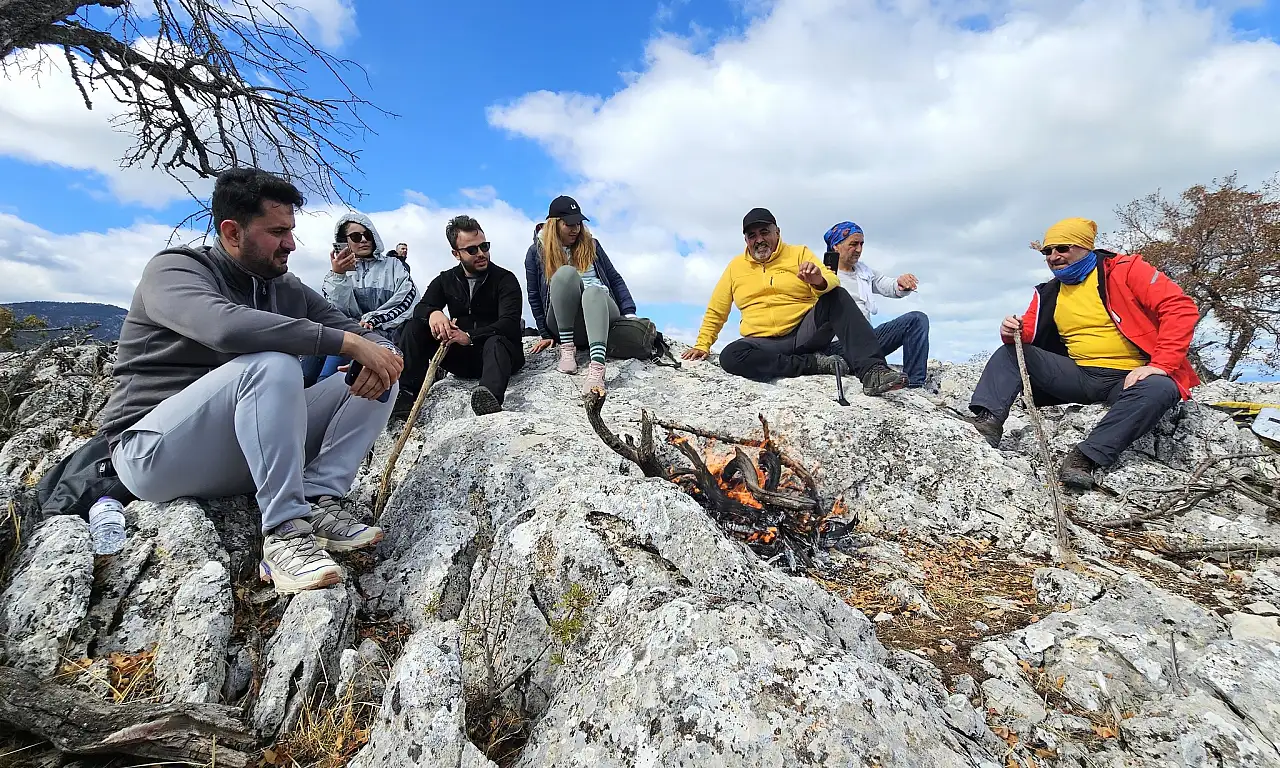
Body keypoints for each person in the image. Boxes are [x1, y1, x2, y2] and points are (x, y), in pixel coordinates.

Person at [97, 167, 403, 594]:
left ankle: (317, 500)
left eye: (291, 231)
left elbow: (353, 328)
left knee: (381, 374)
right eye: (277, 231)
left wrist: (384, 352)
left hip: (240, 453)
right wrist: (347, 342)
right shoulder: (175, 271)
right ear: (232, 232)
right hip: (153, 453)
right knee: (274, 365)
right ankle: (283, 535)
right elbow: (222, 327)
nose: (291, 244)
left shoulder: (285, 287)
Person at [969, 217, 1199, 489]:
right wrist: (1011, 331)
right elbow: (1026, 334)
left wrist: (1160, 364)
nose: (1054, 257)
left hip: (1127, 378)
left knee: (1161, 388)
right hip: (1077, 375)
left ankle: (1085, 458)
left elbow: (1180, 308)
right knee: (1009, 353)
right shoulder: (1048, 292)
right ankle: (988, 424)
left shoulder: (1126, 270)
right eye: (1047, 251)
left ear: (1085, 247)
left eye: (1063, 248)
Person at [681, 208, 907, 395]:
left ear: (777, 232)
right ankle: (814, 364)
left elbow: (831, 278)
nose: (759, 239)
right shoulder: (735, 267)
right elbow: (717, 309)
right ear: (746, 240)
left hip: (803, 333)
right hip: (762, 341)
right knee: (731, 357)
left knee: (836, 295)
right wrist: (702, 344)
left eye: (764, 232)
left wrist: (817, 280)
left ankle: (873, 371)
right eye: (752, 236)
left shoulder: (799, 253)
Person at [396, 216, 526, 417]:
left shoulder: (505, 279)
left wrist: (470, 336)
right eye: (472, 250)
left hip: (499, 356)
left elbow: (509, 324)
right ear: (456, 254)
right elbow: (421, 308)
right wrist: (434, 313)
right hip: (462, 359)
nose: (481, 253)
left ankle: (489, 397)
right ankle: (405, 395)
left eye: (484, 246)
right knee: (413, 326)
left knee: (496, 340)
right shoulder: (445, 279)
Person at [525, 195, 637, 394]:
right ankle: (567, 351)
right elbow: (533, 294)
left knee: (593, 291)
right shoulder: (536, 252)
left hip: (599, 313)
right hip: (563, 322)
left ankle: (597, 368)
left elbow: (614, 278)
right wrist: (544, 333)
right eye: (569, 224)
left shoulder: (592, 245)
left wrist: (629, 313)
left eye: (578, 223)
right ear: (554, 224)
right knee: (564, 274)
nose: (575, 229)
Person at [304, 214, 417, 385]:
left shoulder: (394, 265)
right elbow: (333, 311)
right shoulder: (335, 274)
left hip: (385, 333)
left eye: (368, 235)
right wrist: (339, 276)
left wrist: (373, 319)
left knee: (343, 347)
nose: (364, 240)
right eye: (356, 237)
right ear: (345, 241)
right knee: (317, 345)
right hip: (348, 330)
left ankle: (323, 385)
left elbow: (408, 298)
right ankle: (304, 388)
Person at [822, 222, 930, 388]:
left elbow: (886, 284)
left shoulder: (863, 272)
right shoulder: (822, 275)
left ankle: (915, 384)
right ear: (836, 246)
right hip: (837, 347)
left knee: (917, 320)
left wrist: (901, 284)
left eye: (861, 244)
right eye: (853, 244)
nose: (858, 249)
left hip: (866, 343)